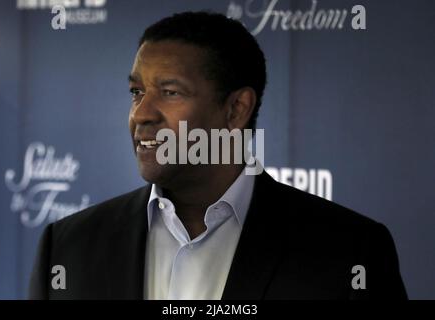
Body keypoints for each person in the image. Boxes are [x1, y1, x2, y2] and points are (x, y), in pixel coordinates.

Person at [29, 11, 407, 300]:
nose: (141, 113)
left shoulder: (350, 251)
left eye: (170, 92)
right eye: (136, 92)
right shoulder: (67, 246)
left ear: (236, 109)